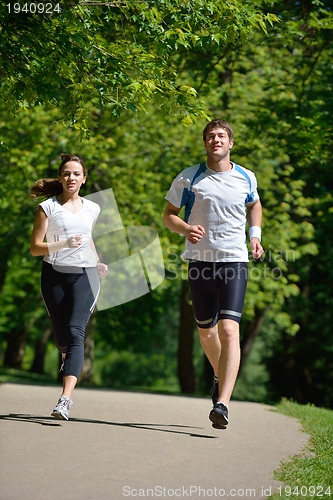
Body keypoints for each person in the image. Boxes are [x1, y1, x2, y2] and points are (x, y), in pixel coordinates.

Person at [163, 119, 264, 428]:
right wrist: (185, 228)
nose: (215, 140)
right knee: (206, 331)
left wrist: (255, 236)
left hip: (235, 261)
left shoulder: (246, 177)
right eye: (210, 136)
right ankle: (220, 373)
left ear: (230, 143)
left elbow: (255, 205)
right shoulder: (189, 178)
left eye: (221, 136)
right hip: (199, 262)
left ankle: (222, 403)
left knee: (229, 330)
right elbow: (168, 216)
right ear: (205, 143)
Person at [30, 154, 108, 420]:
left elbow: (88, 240)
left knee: (76, 332)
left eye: (76, 174)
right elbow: (34, 248)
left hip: (84, 274)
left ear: (84, 179)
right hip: (53, 274)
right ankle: (65, 355)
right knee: (62, 337)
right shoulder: (47, 208)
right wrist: (63, 244)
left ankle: (65, 399)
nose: (71, 178)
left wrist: (97, 262)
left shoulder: (92, 208)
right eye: (66, 174)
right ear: (60, 178)